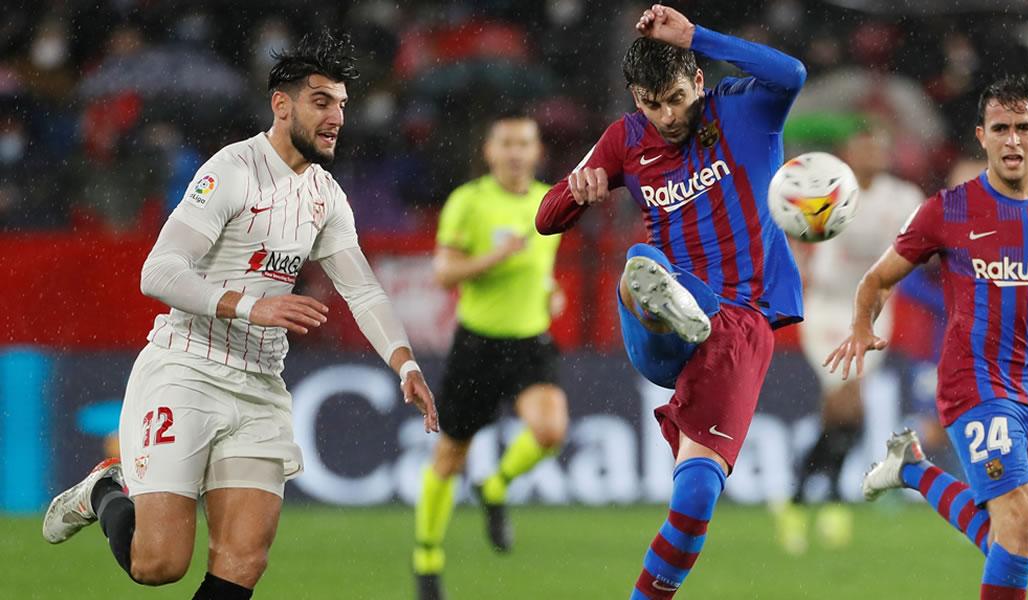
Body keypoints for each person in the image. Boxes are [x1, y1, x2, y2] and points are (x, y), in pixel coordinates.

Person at [41, 31, 437, 599]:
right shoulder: (232, 170)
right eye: (321, 102)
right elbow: (158, 272)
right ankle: (105, 491)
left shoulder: (325, 194)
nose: (336, 118)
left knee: (243, 560)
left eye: (342, 105)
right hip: (187, 369)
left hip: (258, 386)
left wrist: (405, 365)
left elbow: (365, 291)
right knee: (160, 564)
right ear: (282, 104)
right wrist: (255, 306)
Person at [537, 5, 805, 598]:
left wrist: (696, 36)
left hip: (741, 323)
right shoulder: (625, 138)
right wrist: (577, 194)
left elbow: (791, 73)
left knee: (695, 500)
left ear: (699, 82)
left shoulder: (743, 109)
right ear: (636, 98)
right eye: (652, 104)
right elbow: (545, 217)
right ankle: (666, 296)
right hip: (659, 333)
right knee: (645, 265)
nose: (667, 116)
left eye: (677, 98)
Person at [827, 75, 1028, 599]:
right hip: (977, 386)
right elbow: (878, 278)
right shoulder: (948, 209)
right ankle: (913, 469)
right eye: (999, 128)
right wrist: (862, 326)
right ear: (981, 136)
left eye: (1022, 128)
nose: (1012, 140)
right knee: (1019, 526)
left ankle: (914, 470)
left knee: (1019, 549)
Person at [413, 113, 568, 600]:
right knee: (450, 456)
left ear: (537, 151)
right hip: (477, 345)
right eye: (507, 143)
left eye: (525, 143)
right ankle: (427, 557)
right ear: (490, 151)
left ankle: (496, 486)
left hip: (530, 343)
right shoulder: (470, 202)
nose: (516, 152)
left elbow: (541, 269)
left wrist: (550, 292)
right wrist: (494, 259)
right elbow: (444, 273)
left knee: (549, 430)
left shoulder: (550, 202)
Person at [772, 120, 925, 554]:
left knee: (841, 414)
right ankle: (833, 498)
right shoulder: (828, 187)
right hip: (827, 308)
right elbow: (785, 217)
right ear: (847, 152)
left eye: (879, 145)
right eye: (864, 146)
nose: (873, 153)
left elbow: (921, 242)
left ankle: (800, 498)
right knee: (848, 402)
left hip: (873, 308)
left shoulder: (903, 198)